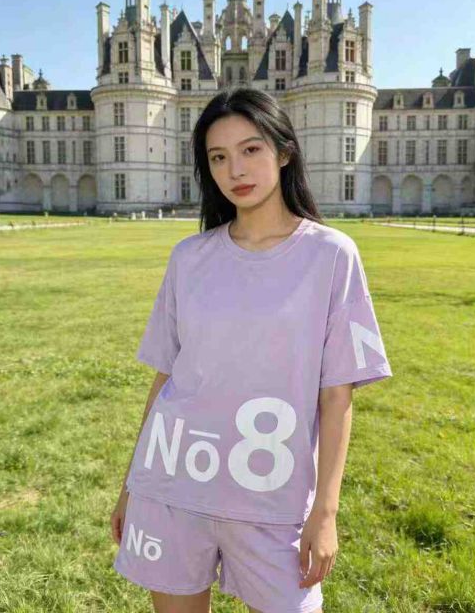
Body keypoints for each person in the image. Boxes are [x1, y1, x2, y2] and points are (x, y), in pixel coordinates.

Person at [111, 86, 393, 613]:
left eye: (251, 149)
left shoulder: (331, 255)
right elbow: (166, 378)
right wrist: (131, 484)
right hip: (172, 483)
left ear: (284, 152)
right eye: (218, 157)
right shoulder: (189, 257)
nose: (235, 169)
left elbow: (337, 396)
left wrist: (325, 513)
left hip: (270, 496)